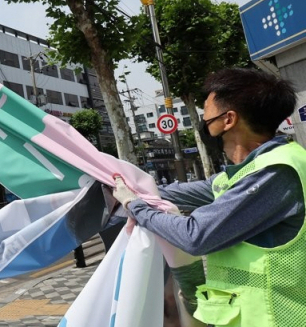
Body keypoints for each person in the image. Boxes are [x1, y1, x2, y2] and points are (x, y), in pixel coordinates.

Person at [112, 68, 305, 327]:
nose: (202, 120)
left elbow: (196, 236)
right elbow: (170, 192)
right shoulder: (244, 174)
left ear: (229, 120)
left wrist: (134, 206)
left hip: (275, 317)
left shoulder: (275, 172)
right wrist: (123, 184)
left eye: (206, 112)